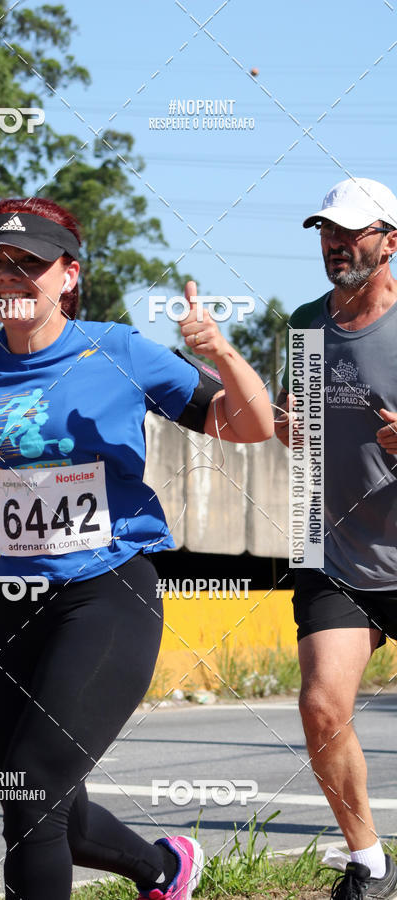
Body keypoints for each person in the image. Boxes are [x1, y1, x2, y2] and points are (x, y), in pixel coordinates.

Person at [0, 197, 273, 900]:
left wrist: (220, 353)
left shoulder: (120, 351)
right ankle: (166, 869)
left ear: (68, 275)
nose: (8, 279)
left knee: (37, 785)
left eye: (29, 265)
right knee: (31, 800)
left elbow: (247, 427)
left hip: (107, 592)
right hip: (10, 602)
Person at [275, 178, 397, 899]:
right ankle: (370, 861)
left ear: (391, 241)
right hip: (342, 556)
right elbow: (301, 425)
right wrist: (290, 425)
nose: (336, 244)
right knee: (323, 705)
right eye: (325, 231)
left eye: (351, 231)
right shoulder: (304, 324)